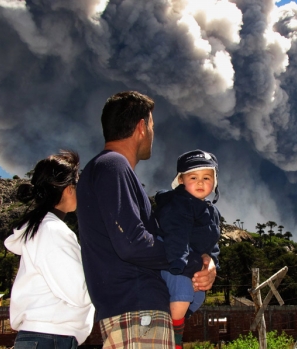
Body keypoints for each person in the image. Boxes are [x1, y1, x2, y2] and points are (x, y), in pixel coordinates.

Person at [76, 91, 217, 349]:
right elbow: (133, 243)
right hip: (139, 313)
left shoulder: (104, 169)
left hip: (133, 311)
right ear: (141, 127)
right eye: (152, 126)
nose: (153, 133)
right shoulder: (113, 166)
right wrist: (194, 262)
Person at [5, 150, 95, 349]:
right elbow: (79, 292)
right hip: (51, 337)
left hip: (45, 337)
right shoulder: (52, 231)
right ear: (68, 189)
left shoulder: (43, 229)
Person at [154, 149, 221, 349]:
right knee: (183, 293)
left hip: (189, 264)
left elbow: (213, 244)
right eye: (193, 177)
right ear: (181, 180)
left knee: (198, 296)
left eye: (206, 177)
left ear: (214, 182)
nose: (200, 182)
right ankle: (175, 340)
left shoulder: (212, 212)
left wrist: (212, 262)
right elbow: (176, 234)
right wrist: (179, 264)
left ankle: (174, 320)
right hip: (175, 260)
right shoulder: (177, 204)